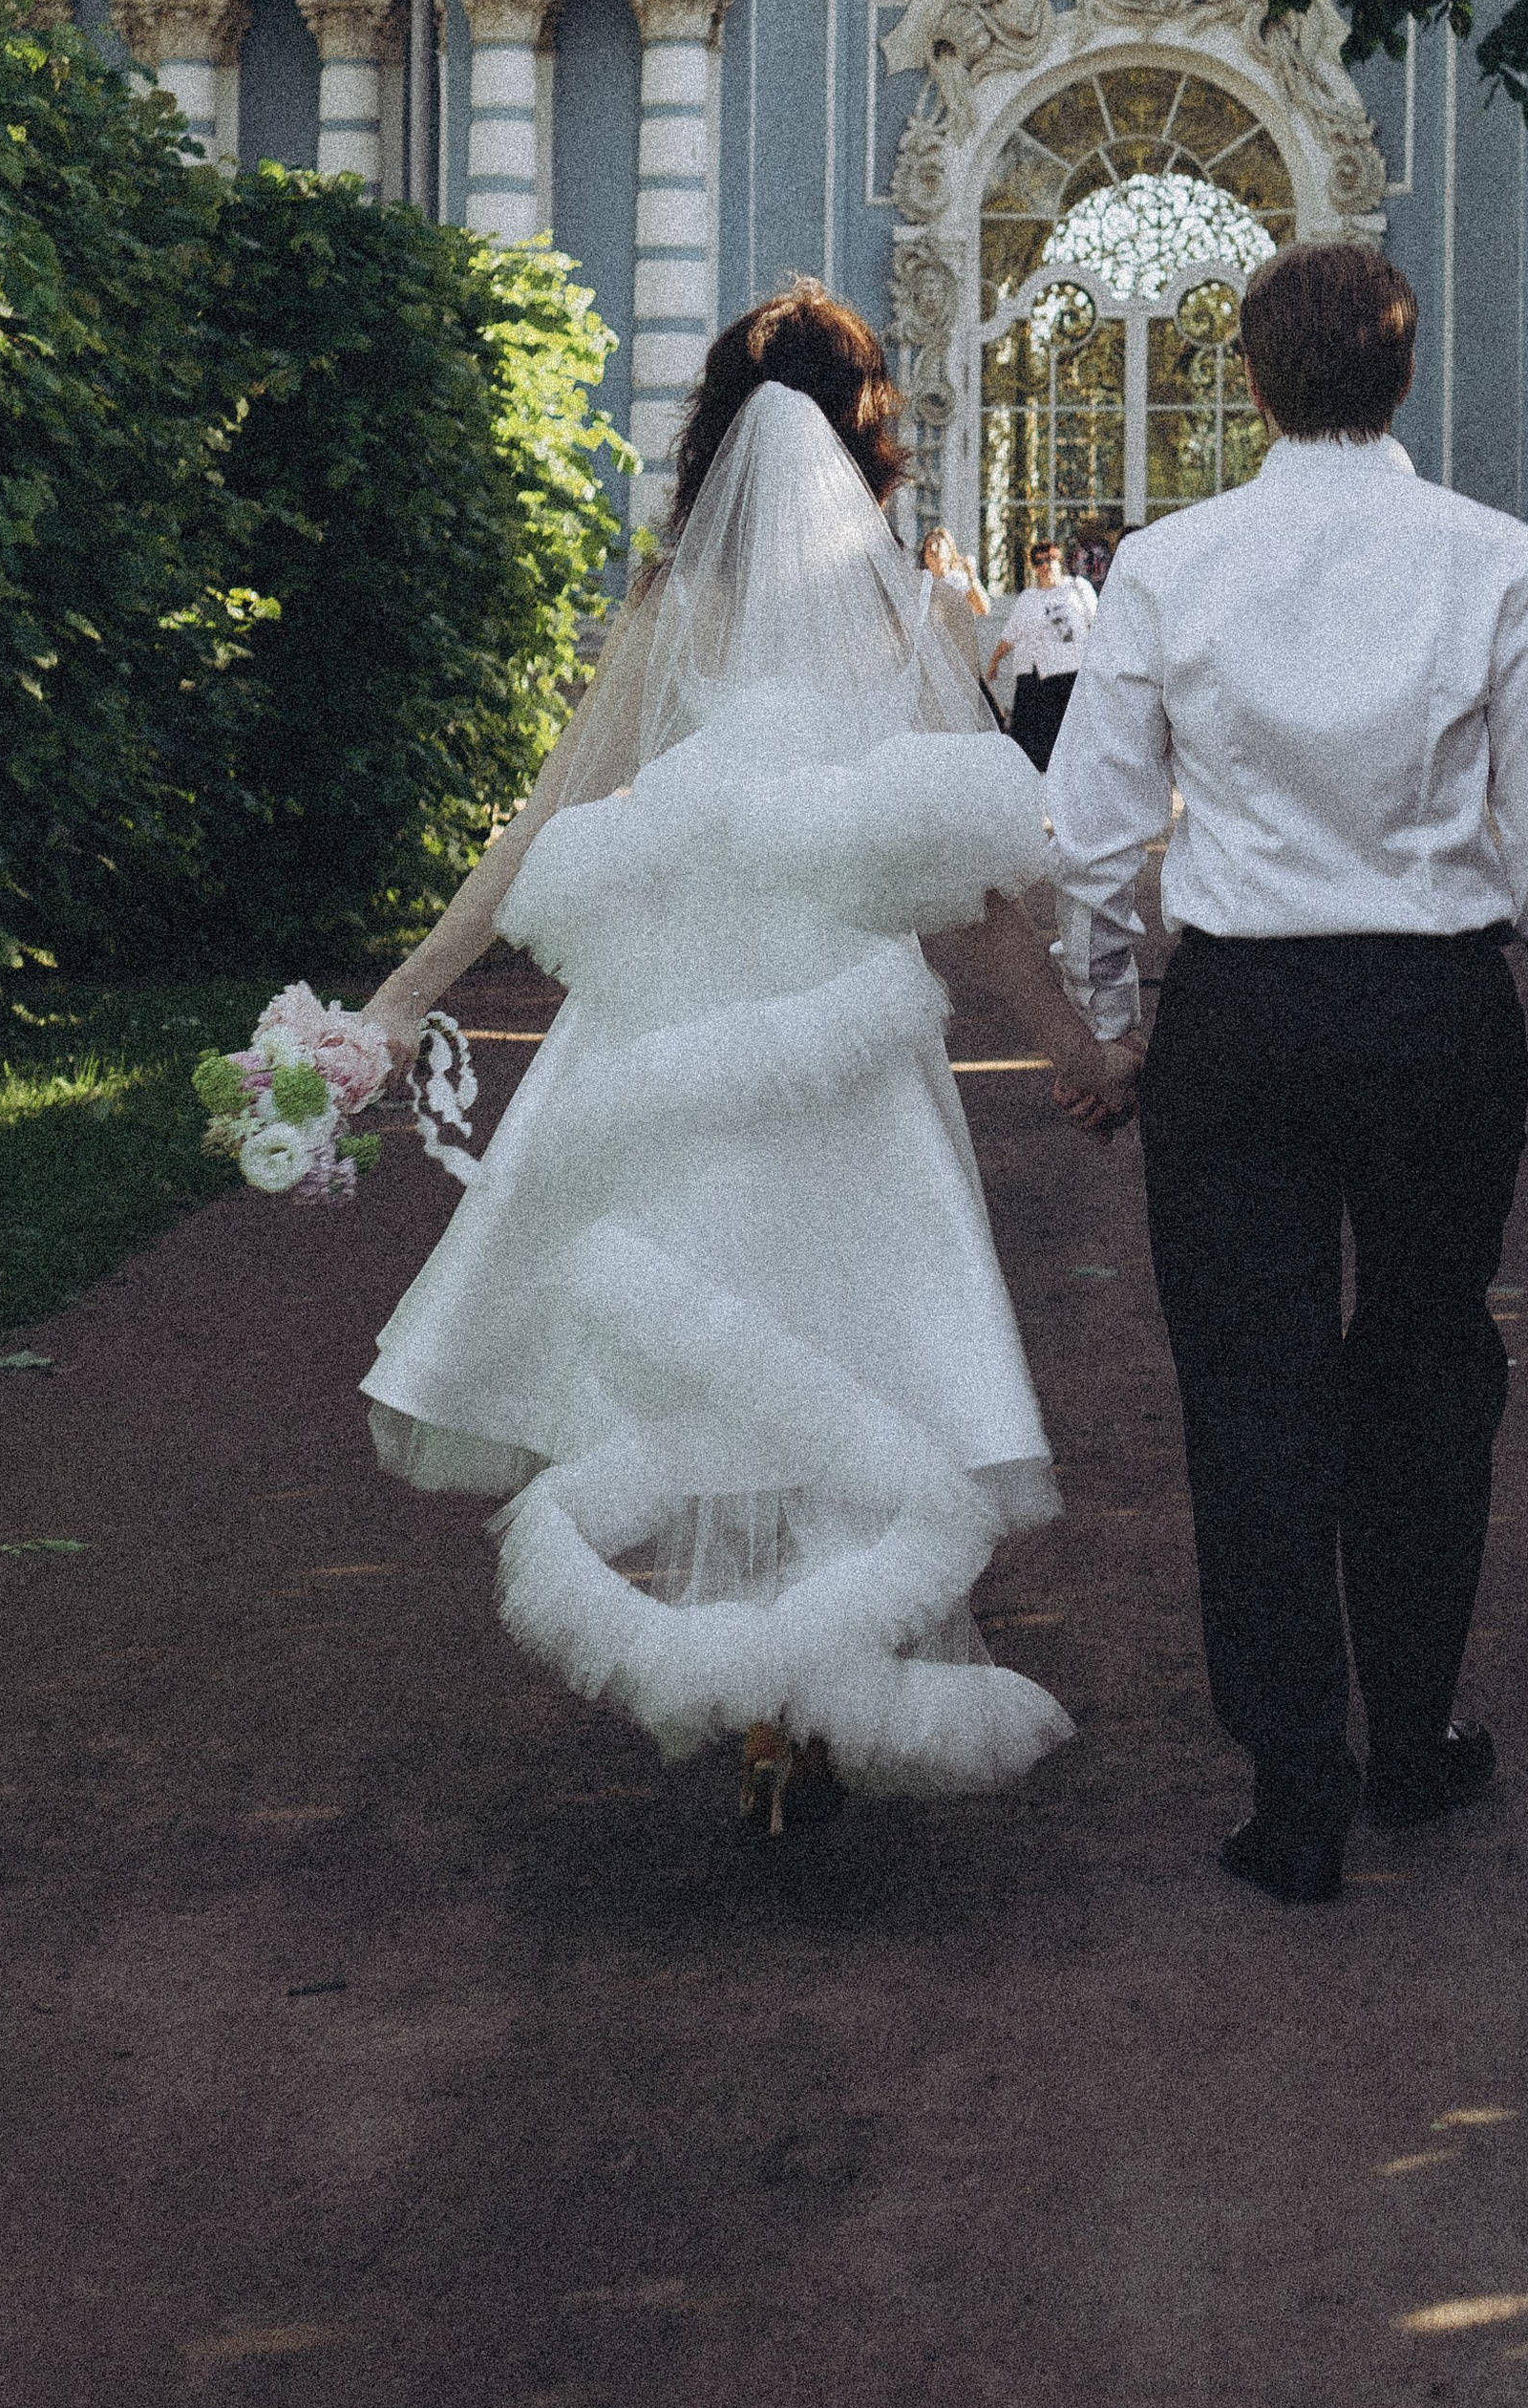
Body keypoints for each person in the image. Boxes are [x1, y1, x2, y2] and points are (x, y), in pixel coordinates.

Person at [350, 282, 1135, 1821]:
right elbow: (976, 890)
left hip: (671, 1034)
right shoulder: (908, 618)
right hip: (848, 1043)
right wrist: (1075, 1048)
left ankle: (754, 1690)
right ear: (871, 437)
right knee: (853, 1351)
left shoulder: (673, 613)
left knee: (710, 1354)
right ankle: (813, 1697)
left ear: (715, 425)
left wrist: (401, 997)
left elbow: (536, 840)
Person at [1041, 240, 1528, 1907]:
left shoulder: (1169, 563)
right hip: (1437, 1015)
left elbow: (1089, 835)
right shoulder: (1496, 561)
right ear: (1405, 373)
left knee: (1251, 1392)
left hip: (1239, 1024)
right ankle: (1415, 1741)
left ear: (1250, 376)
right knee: (1432, 1364)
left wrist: (1110, 1024)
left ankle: (1297, 1792)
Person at [987, 538, 1097, 771]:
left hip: (1071, 675)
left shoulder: (1077, 588)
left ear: (1060, 561)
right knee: (1033, 746)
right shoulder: (1029, 597)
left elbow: (1097, 626)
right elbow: (1010, 635)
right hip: (1036, 678)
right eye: (1039, 562)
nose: (1045, 566)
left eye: (1050, 559)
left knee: (1071, 742)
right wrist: (994, 662)